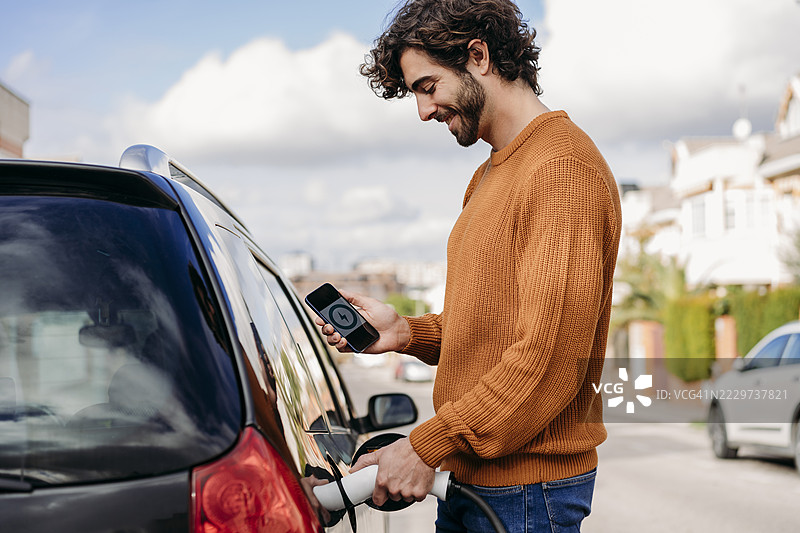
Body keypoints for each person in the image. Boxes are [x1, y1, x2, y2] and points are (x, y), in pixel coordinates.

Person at [316, 0, 621, 531]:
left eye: (428, 86)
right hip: (473, 483)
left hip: (526, 495)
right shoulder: (486, 178)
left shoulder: (562, 168)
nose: (423, 111)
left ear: (477, 56)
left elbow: (547, 361)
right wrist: (408, 332)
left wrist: (426, 445)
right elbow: (495, 332)